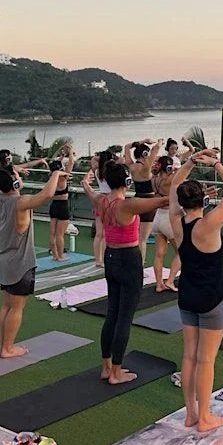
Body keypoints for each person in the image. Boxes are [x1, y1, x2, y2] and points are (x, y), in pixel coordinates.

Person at [169, 149, 223, 432]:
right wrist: (216, 164)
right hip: (212, 298)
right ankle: (206, 417)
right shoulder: (209, 224)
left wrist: (188, 163)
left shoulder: (177, 222)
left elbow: (175, 185)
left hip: (187, 295)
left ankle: (191, 414)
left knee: (189, 356)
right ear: (203, 199)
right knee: (206, 360)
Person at [80, 162, 169, 384]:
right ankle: (117, 372)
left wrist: (85, 183)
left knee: (113, 313)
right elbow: (163, 200)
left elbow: (90, 192)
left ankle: (106, 367)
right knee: (124, 318)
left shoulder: (101, 201)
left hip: (111, 258)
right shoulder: (127, 205)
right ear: (127, 182)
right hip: (129, 260)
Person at [0, 165, 68, 358]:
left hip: (3, 261)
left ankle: (3, 345)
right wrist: (56, 174)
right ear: (15, 183)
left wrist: (11, 173)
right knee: (16, 307)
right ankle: (7, 349)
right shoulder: (20, 202)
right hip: (19, 263)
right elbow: (47, 195)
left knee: (6, 305)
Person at [125, 139, 161, 259]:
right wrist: (160, 142)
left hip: (136, 199)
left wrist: (143, 141)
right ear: (144, 154)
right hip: (148, 201)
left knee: (135, 236)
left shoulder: (131, 167)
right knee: (142, 239)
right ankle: (139, 265)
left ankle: (131, 261)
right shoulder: (146, 168)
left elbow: (126, 147)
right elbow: (155, 151)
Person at [150, 155, 180, 291]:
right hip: (168, 218)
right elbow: (184, 172)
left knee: (159, 254)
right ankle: (170, 280)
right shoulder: (170, 179)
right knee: (182, 252)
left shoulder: (154, 179)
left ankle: (159, 284)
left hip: (157, 217)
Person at [48, 144, 77, 262]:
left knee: (53, 233)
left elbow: (55, 164)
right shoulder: (63, 177)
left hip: (54, 205)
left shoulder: (51, 176)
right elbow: (71, 164)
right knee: (60, 234)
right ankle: (60, 256)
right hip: (63, 206)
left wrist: (61, 156)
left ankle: (55, 255)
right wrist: (70, 153)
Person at [91, 150, 115, 267]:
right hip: (110, 201)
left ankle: (98, 260)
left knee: (99, 233)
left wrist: (99, 158)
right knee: (106, 234)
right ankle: (105, 258)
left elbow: (93, 159)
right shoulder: (110, 172)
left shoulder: (97, 171)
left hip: (99, 200)